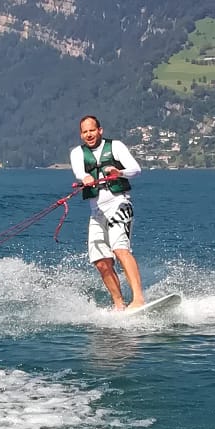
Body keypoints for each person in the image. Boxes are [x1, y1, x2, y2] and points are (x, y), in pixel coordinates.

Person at [71, 114, 145, 310]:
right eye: (85, 132)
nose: (89, 134)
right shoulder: (77, 153)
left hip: (119, 204)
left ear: (100, 131)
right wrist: (86, 177)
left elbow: (136, 170)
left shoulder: (116, 146)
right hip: (97, 212)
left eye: (92, 130)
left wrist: (119, 172)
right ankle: (119, 304)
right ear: (81, 135)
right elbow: (80, 172)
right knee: (101, 262)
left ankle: (138, 299)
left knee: (120, 249)